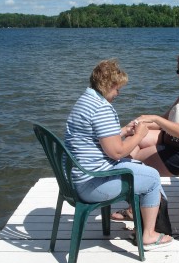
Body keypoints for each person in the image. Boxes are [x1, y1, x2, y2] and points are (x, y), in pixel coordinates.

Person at [64, 59, 173, 250]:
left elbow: (98, 139)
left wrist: (122, 132)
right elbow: (116, 152)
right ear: (108, 85)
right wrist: (139, 134)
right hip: (91, 184)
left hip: (76, 179)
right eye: (116, 88)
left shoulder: (86, 100)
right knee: (153, 178)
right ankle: (147, 235)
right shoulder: (101, 108)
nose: (118, 93)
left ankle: (141, 215)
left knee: (139, 167)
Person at [111, 50, 179, 221]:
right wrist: (142, 123)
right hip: (178, 142)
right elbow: (166, 120)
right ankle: (139, 198)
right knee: (135, 138)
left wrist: (153, 118)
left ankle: (139, 205)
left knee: (135, 161)